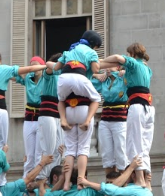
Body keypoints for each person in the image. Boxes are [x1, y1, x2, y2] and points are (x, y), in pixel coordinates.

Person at [98, 43, 155, 175]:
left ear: (132, 54)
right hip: (148, 107)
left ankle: (140, 177)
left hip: (137, 106)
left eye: (128, 54)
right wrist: (101, 65)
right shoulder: (146, 67)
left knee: (134, 144)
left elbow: (118, 58)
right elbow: (117, 66)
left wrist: (104, 61)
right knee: (144, 145)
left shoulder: (133, 63)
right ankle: (146, 180)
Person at [54, 33, 103, 173]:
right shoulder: (91, 52)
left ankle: (62, 119)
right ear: (94, 44)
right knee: (96, 99)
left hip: (64, 77)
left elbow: (57, 67)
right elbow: (95, 69)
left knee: (61, 100)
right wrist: (95, 61)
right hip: (79, 80)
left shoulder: (70, 50)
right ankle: (81, 179)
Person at [92, 67, 128, 176]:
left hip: (120, 119)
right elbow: (87, 83)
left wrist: (122, 72)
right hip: (105, 119)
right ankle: (110, 182)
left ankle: (124, 183)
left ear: (118, 67)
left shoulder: (123, 78)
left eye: (110, 65)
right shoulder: (104, 80)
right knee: (107, 153)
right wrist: (95, 75)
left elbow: (137, 72)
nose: (107, 68)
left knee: (121, 151)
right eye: (106, 65)